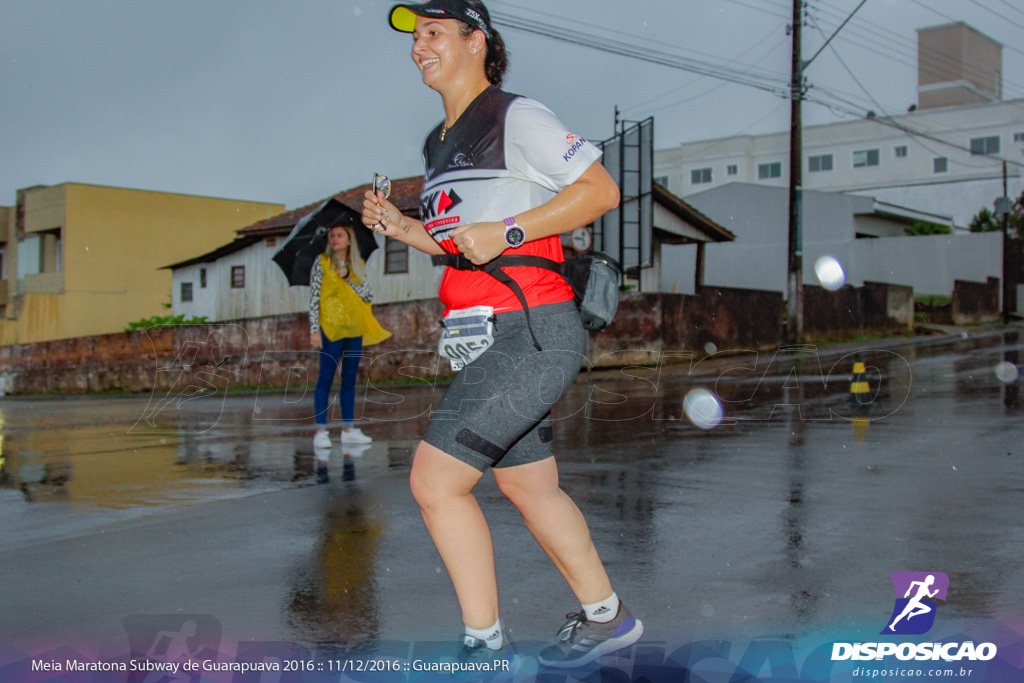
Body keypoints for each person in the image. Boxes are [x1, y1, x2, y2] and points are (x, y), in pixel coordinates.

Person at [363, 0, 642, 668]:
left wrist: (509, 230)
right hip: (487, 333)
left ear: (475, 40)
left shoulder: (516, 115)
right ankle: (609, 617)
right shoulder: (438, 141)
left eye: (432, 33)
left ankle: (484, 645)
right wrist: (408, 230)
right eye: (415, 37)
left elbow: (600, 191)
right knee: (529, 487)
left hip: (534, 329)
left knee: (435, 483)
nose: (418, 47)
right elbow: (463, 242)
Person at [310, 223, 390, 448]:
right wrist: (314, 328)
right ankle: (321, 431)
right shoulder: (322, 263)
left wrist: (349, 279)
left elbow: (367, 295)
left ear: (348, 240)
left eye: (339, 235)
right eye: (331, 235)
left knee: (350, 379)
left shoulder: (358, 265)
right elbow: (314, 297)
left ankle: (348, 429)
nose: (334, 239)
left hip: (354, 328)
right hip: (330, 328)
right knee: (325, 377)